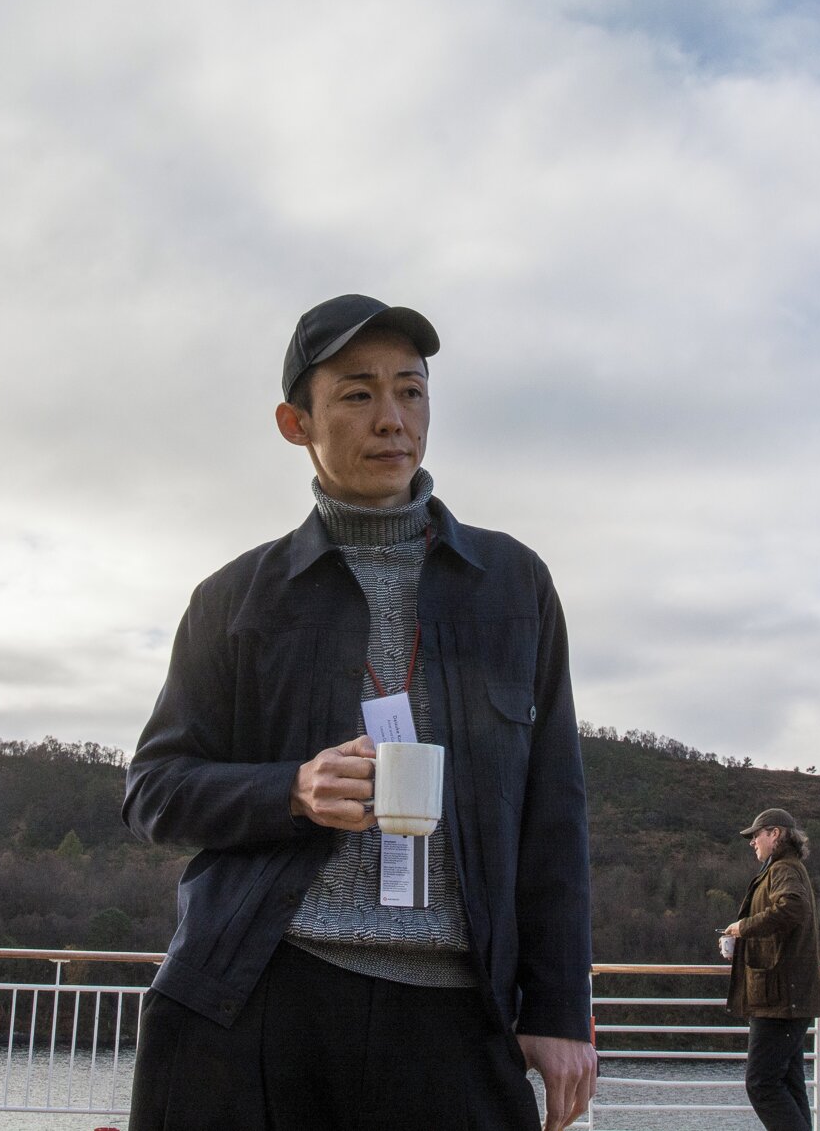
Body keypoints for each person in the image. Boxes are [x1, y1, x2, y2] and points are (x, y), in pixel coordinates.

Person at [123, 294, 598, 1131]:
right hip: (256, 1000)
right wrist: (292, 790)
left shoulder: (515, 584)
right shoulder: (234, 597)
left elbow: (554, 812)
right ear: (293, 421)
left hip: (455, 1016)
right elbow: (155, 790)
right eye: (357, 394)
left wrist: (558, 1006)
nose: (392, 419)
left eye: (411, 392)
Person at [718, 807, 820, 1131]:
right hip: (784, 997)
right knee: (790, 1086)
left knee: (761, 1083)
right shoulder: (783, 868)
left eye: (756, 835)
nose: (752, 842)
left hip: (781, 1000)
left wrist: (741, 928)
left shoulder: (783, 869)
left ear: (775, 834)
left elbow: (793, 907)